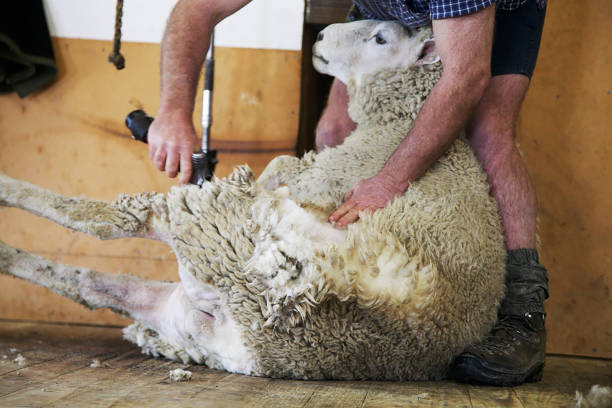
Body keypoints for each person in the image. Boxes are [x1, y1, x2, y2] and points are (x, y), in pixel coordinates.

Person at [148, 0, 549, 386]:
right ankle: (324, 286)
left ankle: (522, 316)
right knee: (334, 132)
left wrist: (390, 180)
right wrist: (172, 111)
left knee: (488, 133)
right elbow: (198, 8)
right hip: (388, 10)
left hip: (490, 16)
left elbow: (465, 77)